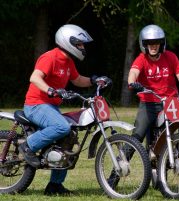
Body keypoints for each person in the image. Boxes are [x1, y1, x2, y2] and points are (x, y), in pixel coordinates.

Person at [18, 24, 111, 196]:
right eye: (80, 44)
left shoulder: (68, 61)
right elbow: (35, 77)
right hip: (36, 104)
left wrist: (94, 79)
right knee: (62, 127)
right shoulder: (50, 57)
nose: (83, 48)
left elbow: (77, 80)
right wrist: (50, 90)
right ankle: (28, 147)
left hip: (51, 107)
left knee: (69, 138)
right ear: (69, 42)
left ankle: (54, 186)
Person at [128, 24, 179, 147]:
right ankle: (122, 161)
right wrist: (132, 83)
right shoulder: (142, 59)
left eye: (156, 42)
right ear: (144, 44)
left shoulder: (171, 57)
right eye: (149, 43)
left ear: (162, 44)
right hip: (149, 103)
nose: (153, 46)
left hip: (170, 102)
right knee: (137, 136)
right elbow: (133, 72)